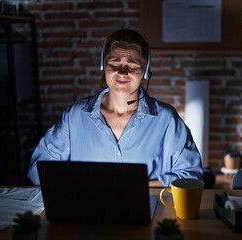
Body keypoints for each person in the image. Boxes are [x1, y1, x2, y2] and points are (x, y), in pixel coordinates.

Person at [27, 29, 203, 187]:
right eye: (114, 63)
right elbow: (37, 171)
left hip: (149, 216)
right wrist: (83, 182)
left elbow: (192, 177)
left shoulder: (167, 119)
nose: (122, 72)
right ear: (104, 66)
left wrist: (138, 186)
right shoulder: (74, 116)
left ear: (145, 70)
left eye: (132, 65)